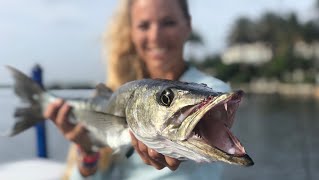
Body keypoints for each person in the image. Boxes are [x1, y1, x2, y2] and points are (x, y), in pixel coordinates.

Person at [44, 0, 231, 179]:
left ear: (187, 25)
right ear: (131, 32)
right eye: (144, 26)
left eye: (168, 22)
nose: (155, 36)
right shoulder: (115, 93)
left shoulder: (214, 91)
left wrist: (174, 148)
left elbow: (206, 132)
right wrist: (88, 151)